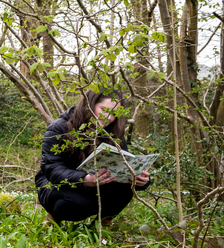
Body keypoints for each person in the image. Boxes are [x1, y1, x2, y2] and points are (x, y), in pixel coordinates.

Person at [35, 88, 151, 225]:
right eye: (104, 109)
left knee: (125, 189)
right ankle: (53, 218)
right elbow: (52, 168)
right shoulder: (59, 127)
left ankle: (102, 224)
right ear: (89, 104)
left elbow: (125, 164)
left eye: (114, 113)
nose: (108, 117)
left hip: (99, 183)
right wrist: (84, 179)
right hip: (57, 185)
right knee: (79, 203)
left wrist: (141, 179)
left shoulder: (114, 133)